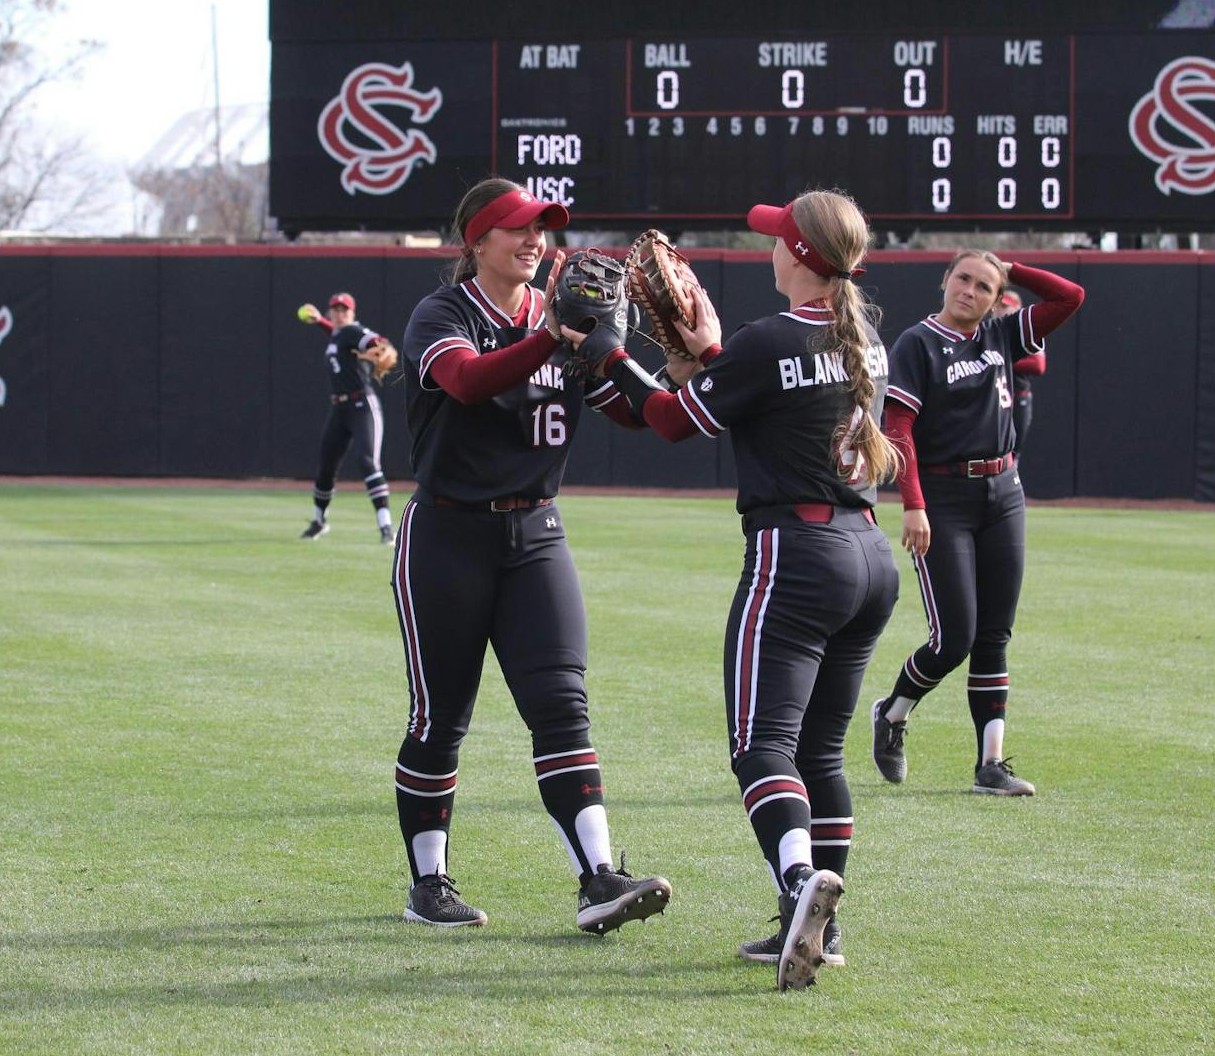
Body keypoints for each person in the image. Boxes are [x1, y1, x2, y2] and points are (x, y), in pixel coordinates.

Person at [600, 190, 900, 990]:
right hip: (868, 552)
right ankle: (820, 928)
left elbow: (667, 420)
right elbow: (762, 394)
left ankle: (801, 887)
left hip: (798, 552)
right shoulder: (866, 338)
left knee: (761, 746)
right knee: (820, 751)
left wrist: (606, 354)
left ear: (801, 256)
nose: (768, 247)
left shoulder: (769, 339)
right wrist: (705, 352)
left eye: (777, 240)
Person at [391, 178, 670, 933]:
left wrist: (674, 357)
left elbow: (637, 413)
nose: (534, 239)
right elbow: (468, 379)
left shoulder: (570, 322)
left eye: (541, 228)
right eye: (516, 227)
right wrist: (554, 332)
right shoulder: (444, 313)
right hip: (448, 534)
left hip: (535, 534)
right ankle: (429, 882)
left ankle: (598, 875)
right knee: (441, 716)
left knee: (561, 705)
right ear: (477, 240)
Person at [869, 250, 1085, 795]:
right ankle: (893, 714)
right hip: (944, 497)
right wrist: (913, 503)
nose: (970, 290)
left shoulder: (1002, 335)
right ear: (945, 281)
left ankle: (990, 765)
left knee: (994, 634)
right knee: (954, 638)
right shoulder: (918, 343)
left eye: (984, 286)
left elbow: (1070, 297)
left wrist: (1012, 269)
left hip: (1004, 491)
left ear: (995, 298)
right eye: (963, 278)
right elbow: (898, 427)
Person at [297, 292, 397, 544]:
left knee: (367, 463)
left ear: (352, 313)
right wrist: (320, 321)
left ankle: (386, 526)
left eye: (345, 310)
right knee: (326, 467)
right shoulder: (338, 333)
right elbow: (336, 334)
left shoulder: (352, 331)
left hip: (362, 404)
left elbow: (375, 340)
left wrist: (381, 346)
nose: (340, 314)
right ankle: (319, 521)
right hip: (339, 408)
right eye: (336, 309)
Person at [995, 290, 1047, 462]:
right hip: (990, 401)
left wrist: (1000, 361)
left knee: (1013, 452)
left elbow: (1038, 365)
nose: (1002, 310)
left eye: (1007, 307)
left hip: (1018, 397)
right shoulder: (986, 331)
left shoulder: (1026, 332)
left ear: (1018, 308)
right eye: (999, 306)